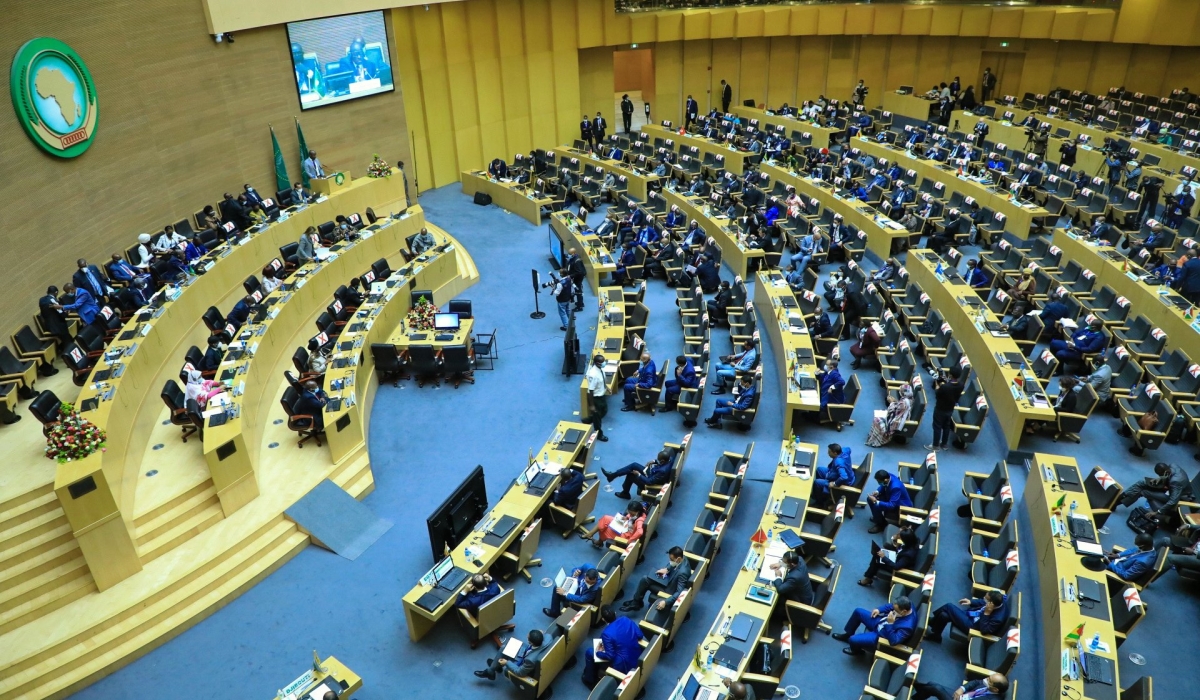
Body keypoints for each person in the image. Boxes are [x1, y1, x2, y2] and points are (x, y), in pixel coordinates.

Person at [832, 595, 916, 655]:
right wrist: (879, 610)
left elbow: (894, 641)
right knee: (858, 611)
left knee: (853, 640)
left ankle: (857, 651)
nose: (893, 610)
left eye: (896, 610)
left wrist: (890, 624)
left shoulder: (907, 627)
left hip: (881, 635)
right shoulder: (908, 604)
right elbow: (890, 606)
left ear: (904, 611)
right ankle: (848, 633)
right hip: (879, 621)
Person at [582, 607, 645, 688]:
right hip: (636, 656)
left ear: (603, 619)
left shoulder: (606, 633)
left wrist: (598, 652)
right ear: (615, 613)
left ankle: (589, 679)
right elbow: (640, 635)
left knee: (589, 652)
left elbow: (610, 656)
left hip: (623, 665)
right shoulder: (625, 619)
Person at [621, 546, 691, 611]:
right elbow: (672, 564)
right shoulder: (682, 557)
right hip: (668, 579)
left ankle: (636, 603)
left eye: (671, 559)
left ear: (678, 559)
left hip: (669, 590)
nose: (670, 561)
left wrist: (666, 601)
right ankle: (636, 601)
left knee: (646, 582)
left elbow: (679, 592)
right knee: (645, 578)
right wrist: (667, 569)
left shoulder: (683, 572)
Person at [926, 590, 1007, 643]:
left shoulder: (998, 618)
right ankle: (937, 636)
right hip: (971, 615)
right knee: (944, 615)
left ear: (991, 604)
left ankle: (932, 621)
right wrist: (970, 602)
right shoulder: (998, 601)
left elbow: (984, 630)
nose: (984, 599)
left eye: (986, 600)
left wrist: (986, 614)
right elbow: (982, 601)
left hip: (972, 627)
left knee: (949, 606)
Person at [1118, 462, 1194, 519]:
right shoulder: (1172, 466)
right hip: (1171, 487)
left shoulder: (1175, 481)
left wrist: (1157, 512)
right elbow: (1168, 475)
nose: (1159, 476)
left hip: (1179, 498)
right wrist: (1160, 478)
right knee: (1141, 483)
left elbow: (1173, 501)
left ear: (1166, 472)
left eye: (1160, 475)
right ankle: (1121, 497)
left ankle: (1118, 501)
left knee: (1143, 491)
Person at [602, 450, 675, 500]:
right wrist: (654, 461)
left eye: (659, 460)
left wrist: (639, 474)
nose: (657, 460)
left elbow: (649, 482)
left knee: (631, 475)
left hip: (651, 484)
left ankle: (625, 493)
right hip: (653, 474)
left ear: (662, 461)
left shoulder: (662, 471)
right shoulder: (670, 459)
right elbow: (661, 462)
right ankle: (612, 475)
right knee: (634, 465)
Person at [474, 629, 543, 680]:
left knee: (504, 650)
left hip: (523, 662)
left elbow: (519, 672)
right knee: (505, 647)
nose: (526, 636)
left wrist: (506, 662)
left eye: (528, 637)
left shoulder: (530, 660)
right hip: (528, 652)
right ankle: (496, 666)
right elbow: (546, 635)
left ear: (531, 642)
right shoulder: (548, 638)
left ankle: (490, 672)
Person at [1091, 533, 1158, 582]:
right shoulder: (1149, 548)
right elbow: (1132, 550)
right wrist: (1117, 555)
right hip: (1119, 561)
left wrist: (1110, 564)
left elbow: (1126, 575)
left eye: (1137, 544)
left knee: (1091, 562)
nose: (1136, 546)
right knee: (1094, 551)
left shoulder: (1143, 562)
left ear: (1142, 546)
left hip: (1116, 571)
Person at [927, 366, 964, 452]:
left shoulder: (945, 387)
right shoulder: (961, 385)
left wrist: (937, 384)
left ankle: (935, 445)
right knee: (946, 426)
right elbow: (951, 387)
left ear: (950, 374)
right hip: (950, 409)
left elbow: (937, 393)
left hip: (940, 409)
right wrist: (946, 382)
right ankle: (944, 444)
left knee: (937, 426)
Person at [866, 383, 914, 448]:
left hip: (895, 422)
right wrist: (895, 402)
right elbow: (898, 408)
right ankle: (873, 437)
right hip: (898, 417)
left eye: (900, 391)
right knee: (881, 413)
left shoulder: (903, 403)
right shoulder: (909, 399)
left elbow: (893, 410)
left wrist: (891, 402)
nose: (899, 391)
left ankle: (877, 441)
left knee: (877, 419)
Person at [867, 469, 913, 534]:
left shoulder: (896, 487)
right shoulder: (888, 476)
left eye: (879, 481)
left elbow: (892, 505)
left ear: (885, 480)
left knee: (876, 505)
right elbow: (883, 485)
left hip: (900, 506)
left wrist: (876, 501)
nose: (878, 483)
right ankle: (878, 518)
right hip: (891, 497)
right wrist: (878, 491)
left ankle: (881, 525)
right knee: (869, 499)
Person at [914, 673, 1009, 700]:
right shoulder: (989, 685)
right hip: (962, 696)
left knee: (936, 688)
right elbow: (975, 682)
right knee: (931, 684)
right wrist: (961, 689)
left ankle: (913, 686)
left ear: (995, 689)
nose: (986, 679)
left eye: (989, 680)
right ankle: (915, 696)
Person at [583, 355, 610, 442]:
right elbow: (590, 391)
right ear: (597, 363)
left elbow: (602, 380)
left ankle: (590, 419)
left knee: (604, 411)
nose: (604, 363)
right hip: (596, 398)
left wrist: (606, 387)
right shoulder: (593, 374)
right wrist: (591, 405)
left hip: (601, 395)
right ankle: (599, 434)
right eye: (602, 362)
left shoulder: (599, 369)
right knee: (598, 418)